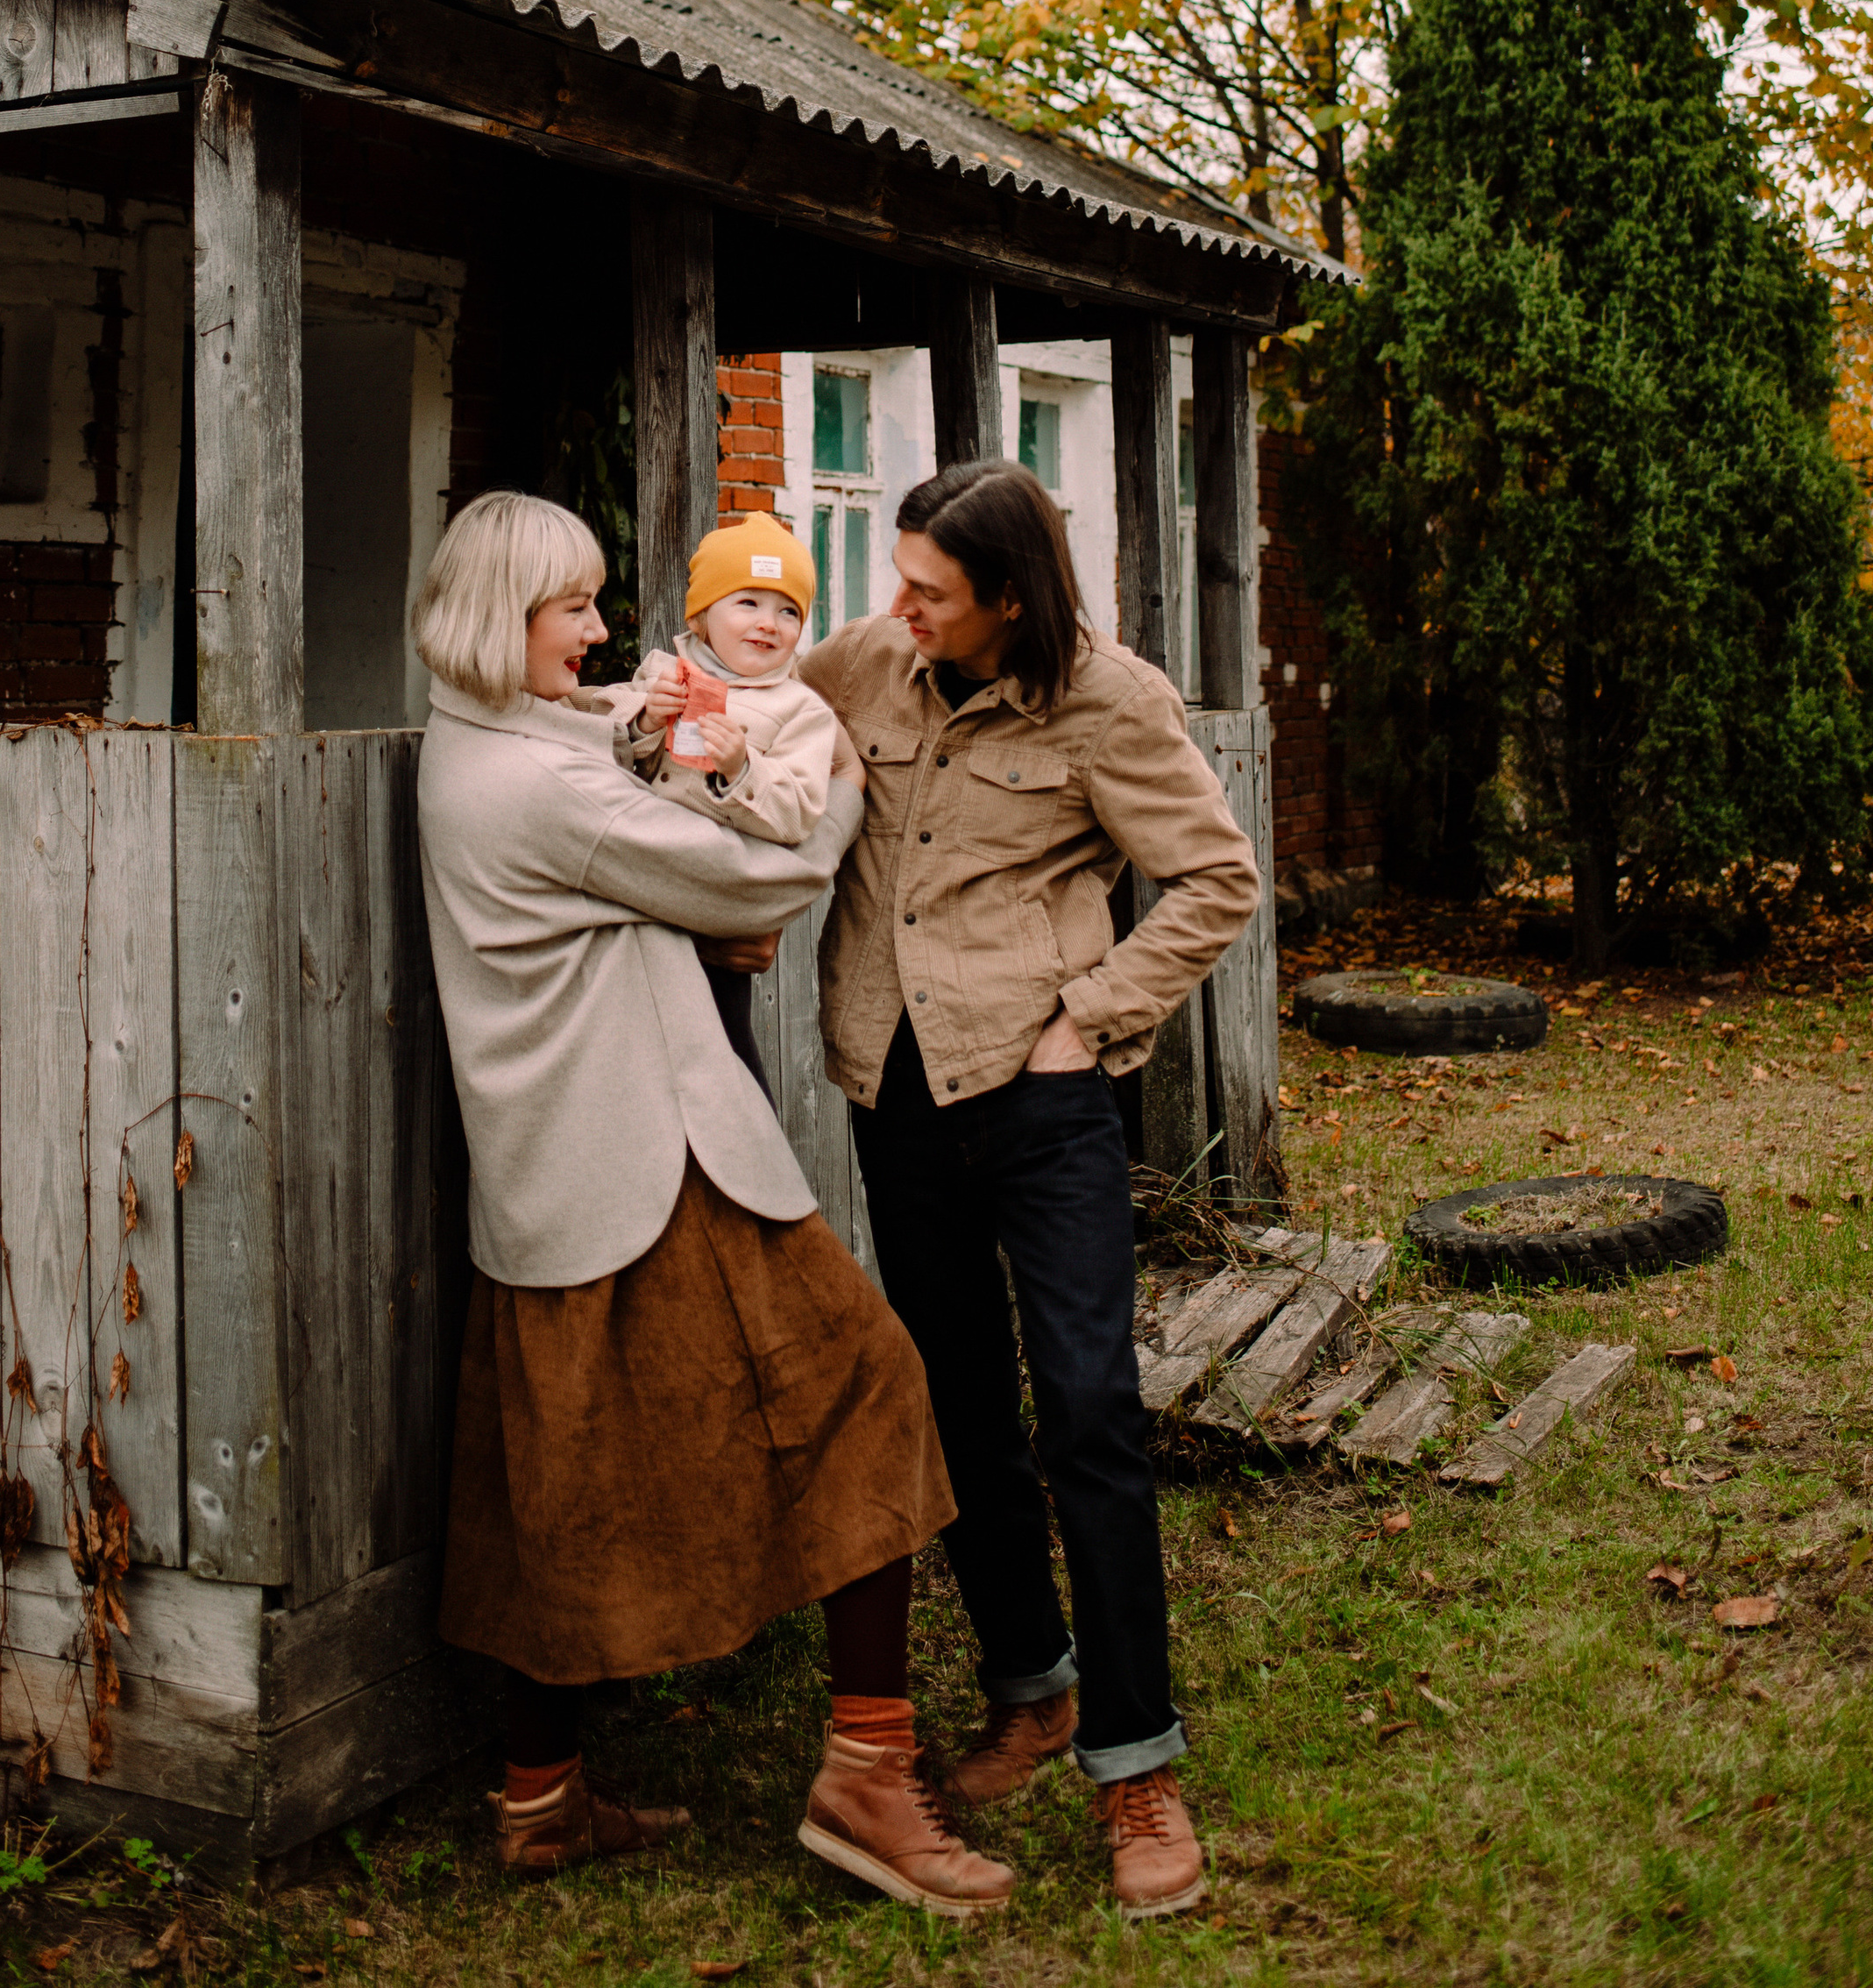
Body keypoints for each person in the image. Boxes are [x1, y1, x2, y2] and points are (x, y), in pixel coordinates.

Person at [414, 488, 1014, 1919]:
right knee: (867, 1379)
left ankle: (540, 1791)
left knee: (558, 1467)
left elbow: (638, 785)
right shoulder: (539, 783)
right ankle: (872, 1775)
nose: (604, 627)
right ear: (509, 616)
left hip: (560, 1160)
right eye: (576, 606)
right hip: (649, 1154)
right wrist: (844, 767)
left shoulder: (490, 733)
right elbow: (773, 868)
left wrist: (671, 825)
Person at [802, 459, 1261, 1921]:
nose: (901, 606)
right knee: (956, 1401)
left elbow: (1215, 876)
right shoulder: (870, 660)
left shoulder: (1110, 700)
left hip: (1045, 1094)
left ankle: (1139, 1763)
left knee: (1089, 1407)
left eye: (932, 587)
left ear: (1010, 596)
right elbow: (742, 708)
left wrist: (1095, 1012)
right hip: (899, 1088)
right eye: (902, 576)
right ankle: (1035, 1688)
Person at [592, 511, 837, 1087]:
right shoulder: (662, 676)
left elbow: (801, 809)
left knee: (722, 1054)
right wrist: (647, 718)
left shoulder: (801, 710)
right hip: (637, 893)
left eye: (788, 611)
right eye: (747, 602)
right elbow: (605, 764)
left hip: (714, 907)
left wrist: (743, 768)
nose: (768, 623)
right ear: (701, 616)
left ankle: (748, 1158)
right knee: (632, 1056)